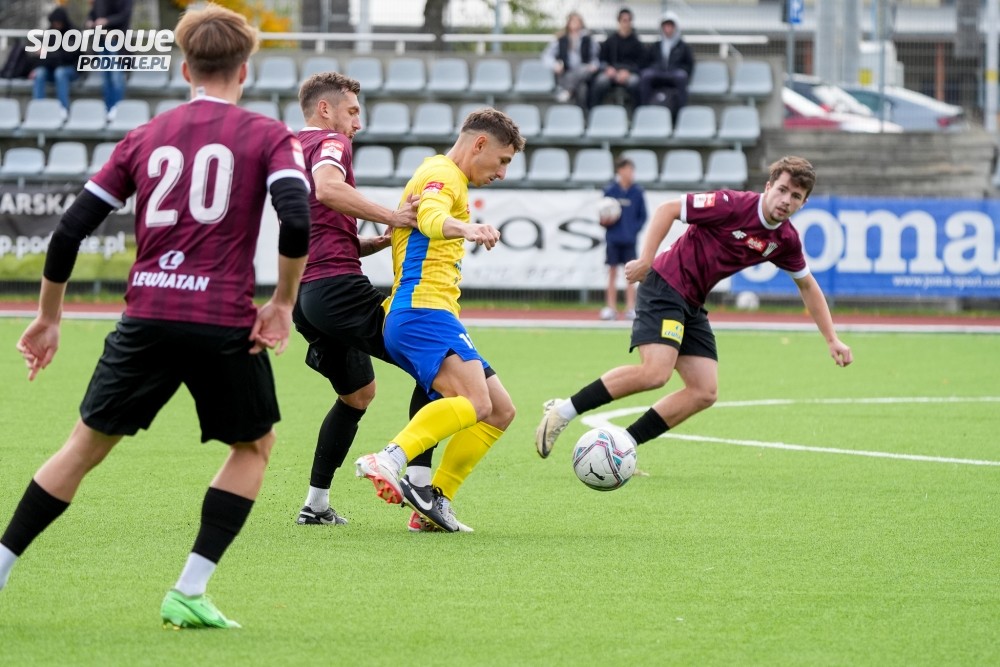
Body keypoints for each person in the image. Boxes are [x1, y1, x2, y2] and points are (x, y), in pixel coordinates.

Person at [0, 4, 312, 630]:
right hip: (222, 320)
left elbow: (69, 231)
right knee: (254, 446)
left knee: (82, 448)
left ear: (185, 69)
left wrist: (49, 317)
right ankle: (189, 589)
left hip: (145, 315)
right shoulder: (268, 134)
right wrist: (281, 303)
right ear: (244, 70)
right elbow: (297, 217)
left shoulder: (145, 135)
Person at [536, 156, 853, 460]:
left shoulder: (785, 240)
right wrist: (646, 260)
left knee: (704, 391)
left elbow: (807, 285)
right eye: (782, 190)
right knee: (655, 373)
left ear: (803, 204)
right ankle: (563, 411)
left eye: (796, 196)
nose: (786, 200)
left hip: (692, 302)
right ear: (768, 186)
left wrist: (831, 338)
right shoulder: (731, 204)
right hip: (665, 285)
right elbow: (668, 209)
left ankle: (623, 446)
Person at [353, 109, 525, 533]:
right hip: (421, 310)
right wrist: (466, 228)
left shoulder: (447, 176)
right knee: (477, 403)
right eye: (502, 160)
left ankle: (433, 502)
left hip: (432, 314)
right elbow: (429, 217)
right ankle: (389, 458)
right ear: (479, 144)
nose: (502, 173)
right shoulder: (442, 173)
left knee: (499, 410)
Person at [291, 71, 437, 529]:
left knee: (358, 395)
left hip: (306, 294)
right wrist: (395, 216)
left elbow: (314, 227)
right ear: (325, 109)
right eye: (352, 111)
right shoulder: (330, 143)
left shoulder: (291, 150)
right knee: (436, 363)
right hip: (336, 289)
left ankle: (315, 505)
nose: (358, 123)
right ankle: (420, 486)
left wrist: (370, 242)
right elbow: (328, 189)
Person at [599, 157, 647, 321]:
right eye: (627, 170)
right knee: (612, 272)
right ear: (620, 171)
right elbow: (602, 214)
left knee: (631, 275)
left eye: (632, 170)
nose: (630, 173)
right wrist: (605, 221)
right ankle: (611, 308)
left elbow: (643, 216)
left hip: (629, 240)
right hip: (613, 239)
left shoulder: (637, 192)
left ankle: (630, 308)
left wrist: (633, 231)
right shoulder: (610, 190)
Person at [588, 7, 647, 110]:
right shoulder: (610, 41)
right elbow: (601, 60)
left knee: (636, 83)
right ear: (619, 22)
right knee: (600, 82)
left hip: (629, 74)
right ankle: (593, 112)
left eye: (629, 20)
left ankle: (636, 113)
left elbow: (642, 64)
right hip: (612, 72)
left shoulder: (637, 43)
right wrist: (608, 69)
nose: (626, 23)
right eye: (624, 20)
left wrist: (628, 72)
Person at [638, 11, 694, 119]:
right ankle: (644, 110)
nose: (668, 28)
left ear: (675, 27)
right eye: (666, 26)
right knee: (646, 76)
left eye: (670, 26)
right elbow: (645, 63)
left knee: (681, 76)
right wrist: (655, 67)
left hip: (674, 74)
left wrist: (680, 69)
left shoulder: (683, 47)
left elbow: (689, 65)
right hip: (658, 73)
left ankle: (680, 114)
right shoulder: (656, 45)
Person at [540, 11, 599, 107]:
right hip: (567, 73)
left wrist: (594, 65)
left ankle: (568, 91)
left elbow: (595, 57)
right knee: (582, 89)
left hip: (584, 72)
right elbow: (546, 56)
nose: (575, 23)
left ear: (581, 23)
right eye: (573, 21)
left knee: (584, 69)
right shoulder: (561, 39)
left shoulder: (588, 39)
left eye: (577, 21)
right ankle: (580, 112)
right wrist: (555, 65)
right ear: (568, 23)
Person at [86, 0, 133, 118]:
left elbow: (125, 15)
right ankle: (108, 110)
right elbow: (93, 13)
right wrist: (90, 21)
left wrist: (107, 21)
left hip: (116, 41)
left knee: (116, 77)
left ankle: (118, 109)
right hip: (101, 41)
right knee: (106, 78)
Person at [31, 7, 79, 114]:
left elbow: (67, 57)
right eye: (54, 23)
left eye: (58, 23)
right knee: (39, 72)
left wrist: (47, 54)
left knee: (60, 72)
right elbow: (42, 59)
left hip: (70, 70)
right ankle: (38, 109)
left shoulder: (74, 34)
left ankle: (63, 109)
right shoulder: (50, 33)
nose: (56, 25)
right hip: (51, 69)